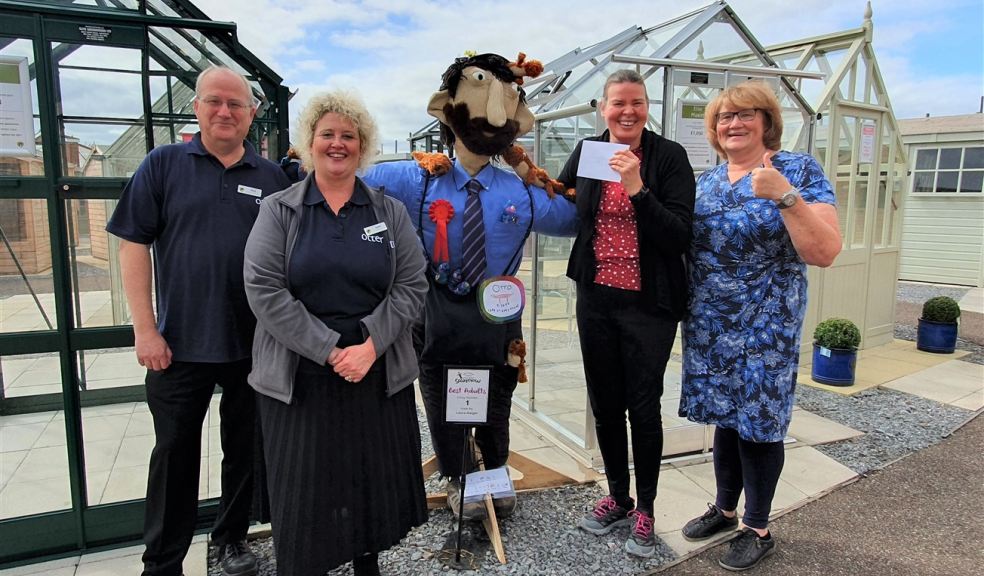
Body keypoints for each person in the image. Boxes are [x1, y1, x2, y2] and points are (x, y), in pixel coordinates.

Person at [360, 52, 577, 521]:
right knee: (440, 396)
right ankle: (459, 477)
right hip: (434, 310)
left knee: (498, 398)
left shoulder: (520, 191)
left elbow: (574, 218)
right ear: (446, 108)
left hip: (499, 313)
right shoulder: (412, 179)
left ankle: (494, 469)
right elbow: (349, 182)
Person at [106, 66, 291, 576]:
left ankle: (230, 540)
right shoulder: (163, 165)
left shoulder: (272, 177)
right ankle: (163, 561)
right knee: (174, 457)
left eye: (236, 104)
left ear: (252, 114)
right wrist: (145, 329)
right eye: (215, 102)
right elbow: (133, 245)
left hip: (254, 346)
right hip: (177, 345)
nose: (225, 112)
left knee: (244, 453)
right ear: (198, 107)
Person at [243, 90, 428, 576]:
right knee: (306, 484)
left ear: (362, 145)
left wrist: (370, 346)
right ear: (310, 142)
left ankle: (367, 561)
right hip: (300, 374)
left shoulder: (388, 213)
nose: (338, 144)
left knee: (369, 478)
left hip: (374, 366)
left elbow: (412, 284)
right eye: (327, 134)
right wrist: (329, 350)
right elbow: (263, 290)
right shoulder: (279, 210)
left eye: (349, 135)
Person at [678, 80, 841, 571]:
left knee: (761, 422)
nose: (734, 123)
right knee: (727, 417)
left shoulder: (797, 170)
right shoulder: (705, 182)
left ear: (767, 122)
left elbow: (826, 251)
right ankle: (726, 508)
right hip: (710, 322)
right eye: (725, 116)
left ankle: (758, 525)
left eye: (746, 114)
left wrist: (786, 198)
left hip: (766, 323)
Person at [556, 69, 695, 558]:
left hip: (648, 304)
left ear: (647, 107)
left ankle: (648, 509)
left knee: (643, 406)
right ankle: (617, 495)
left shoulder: (669, 157)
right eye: (618, 103)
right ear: (603, 108)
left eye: (636, 102)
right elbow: (561, 199)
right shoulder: (591, 152)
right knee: (605, 402)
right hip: (597, 298)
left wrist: (638, 187)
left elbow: (679, 234)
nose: (627, 111)